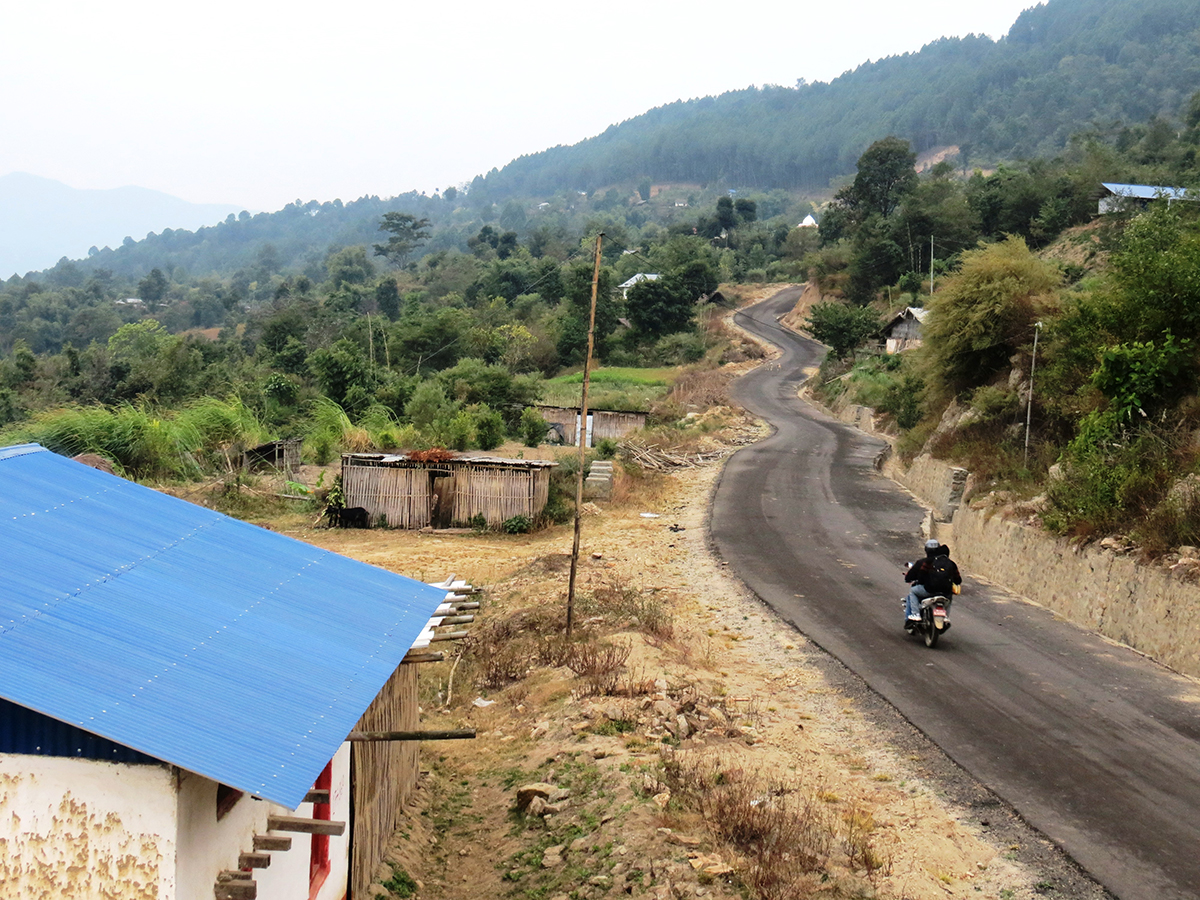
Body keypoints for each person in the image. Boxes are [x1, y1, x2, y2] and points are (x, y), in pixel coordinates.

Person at [903, 539, 962, 629]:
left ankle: (916, 614)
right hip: (945, 593)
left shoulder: (926, 562)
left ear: (926, 549)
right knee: (950, 595)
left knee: (913, 591)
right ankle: (945, 616)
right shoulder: (951, 563)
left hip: (929, 590)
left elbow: (920, 577)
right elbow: (958, 580)